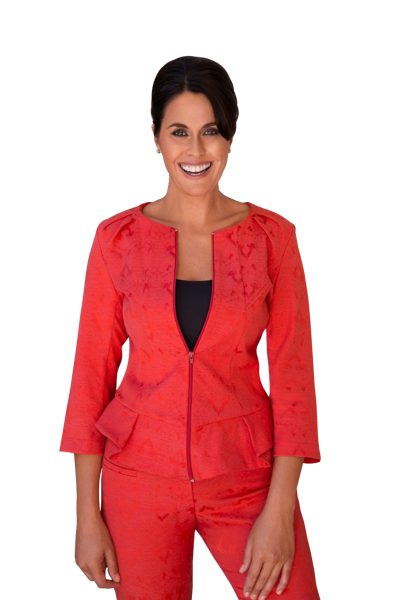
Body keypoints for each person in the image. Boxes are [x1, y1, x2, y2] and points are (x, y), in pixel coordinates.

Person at [59, 55, 322, 600]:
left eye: (211, 132)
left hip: (246, 477)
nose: (196, 150)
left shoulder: (273, 239)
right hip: (139, 480)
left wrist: (280, 509)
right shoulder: (116, 241)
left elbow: (294, 383)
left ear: (230, 138)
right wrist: (87, 514)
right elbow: (90, 379)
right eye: (179, 132)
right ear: (156, 138)